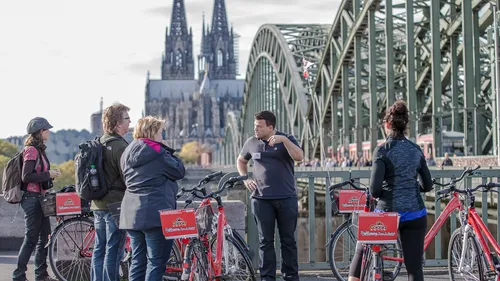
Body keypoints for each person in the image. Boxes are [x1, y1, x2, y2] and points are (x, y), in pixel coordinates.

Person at [348, 100, 432, 281]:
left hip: (387, 214)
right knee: (414, 269)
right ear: (405, 125)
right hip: (415, 214)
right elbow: (428, 186)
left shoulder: (382, 151)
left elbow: (376, 190)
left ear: (387, 124)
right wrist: (411, 186)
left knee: (362, 249)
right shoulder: (416, 150)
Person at [236, 110, 304, 281]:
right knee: (265, 242)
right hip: (261, 199)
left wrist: (285, 141)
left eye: (259, 126)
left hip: (286, 198)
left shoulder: (285, 139)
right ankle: (267, 278)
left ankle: (290, 277)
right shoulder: (251, 142)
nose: (255, 129)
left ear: (270, 127)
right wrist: (245, 179)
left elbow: (300, 157)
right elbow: (241, 161)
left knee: (288, 241)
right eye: (255, 125)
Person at [119, 116, 185, 281]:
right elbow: (179, 171)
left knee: (138, 262)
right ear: (152, 132)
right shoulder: (157, 152)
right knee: (156, 263)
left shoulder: (127, 151)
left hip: (131, 215)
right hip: (155, 214)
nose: (162, 136)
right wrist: (168, 150)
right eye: (160, 132)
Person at [13, 117, 62, 281]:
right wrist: (48, 174)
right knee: (31, 238)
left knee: (44, 237)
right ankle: (18, 276)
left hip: (40, 198)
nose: (49, 132)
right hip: (31, 199)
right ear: (41, 132)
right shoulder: (32, 150)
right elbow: (26, 176)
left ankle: (41, 275)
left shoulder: (39, 149)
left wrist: (49, 175)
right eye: (47, 129)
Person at [91, 103, 131, 281]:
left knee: (99, 249)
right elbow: (129, 178)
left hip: (97, 204)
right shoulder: (120, 147)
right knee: (114, 250)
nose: (130, 122)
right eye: (127, 118)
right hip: (115, 205)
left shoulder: (99, 142)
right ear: (117, 123)